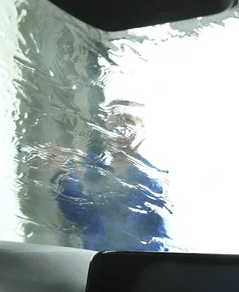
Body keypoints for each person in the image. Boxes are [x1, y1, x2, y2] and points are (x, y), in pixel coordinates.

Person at [49, 101, 171, 251]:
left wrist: (64, 177)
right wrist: (62, 172)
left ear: (142, 130)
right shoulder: (92, 165)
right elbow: (79, 217)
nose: (121, 129)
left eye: (128, 122)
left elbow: (95, 223)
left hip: (137, 263)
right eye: (114, 124)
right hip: (98, 259)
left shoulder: (150, 179)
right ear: (105, 129)